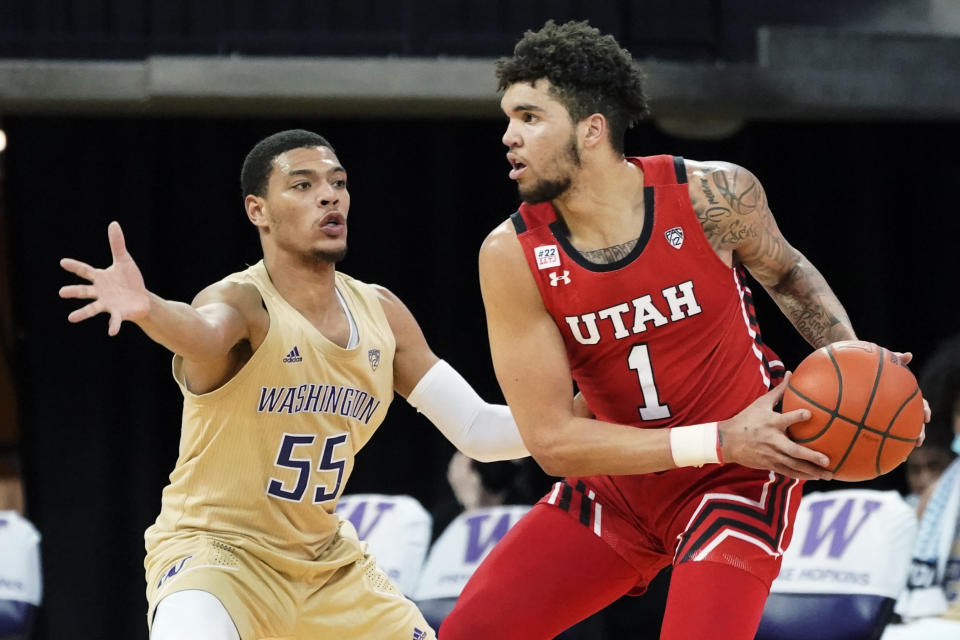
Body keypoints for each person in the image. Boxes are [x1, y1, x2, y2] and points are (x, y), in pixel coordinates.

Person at [440, 20, 927, 640]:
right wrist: (718, 438)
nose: (508, 137)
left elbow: (788, 273)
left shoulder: (711, 194)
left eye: (530, 117)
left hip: (741, 474)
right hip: (623, 488)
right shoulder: (511, 254)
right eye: (508, 118)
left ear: (591, 129)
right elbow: (554, 443)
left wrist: (855, 363)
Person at [58, 129, 534, 640]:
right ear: (257, 211)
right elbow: (201, 332)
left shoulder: (382, 313)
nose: (329, 195)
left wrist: (585, 411)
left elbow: (477, 430)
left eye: (338, 182)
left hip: (326, 564)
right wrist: (148, 309)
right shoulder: (244, 302)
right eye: (303, 185)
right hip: (219, 552)